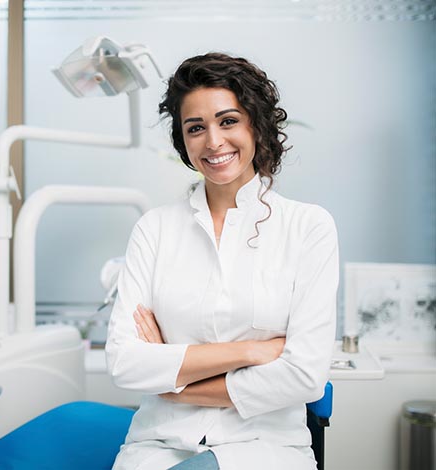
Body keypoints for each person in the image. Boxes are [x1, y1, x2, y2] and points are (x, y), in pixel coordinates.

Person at [105, 52, 339, 470]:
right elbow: (125, 364)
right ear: (184, 141)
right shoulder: (154, 229)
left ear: (256, 124)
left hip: (263, 449)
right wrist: (251, 350)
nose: (213, 142)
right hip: (156, 446)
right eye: (196, 128)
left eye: (228, 121)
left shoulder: (308, 227)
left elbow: (304, 375)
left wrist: (173, 380)